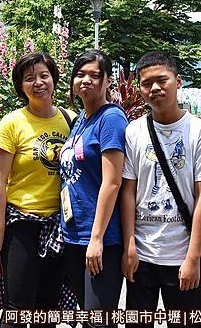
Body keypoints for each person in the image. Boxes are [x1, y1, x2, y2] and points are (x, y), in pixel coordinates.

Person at [121, 51, 201, 328]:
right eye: (146, 83)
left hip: (182, 256)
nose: (154, 88)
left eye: (162, 80)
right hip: (142, 257)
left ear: (177, 82)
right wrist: (129, 245)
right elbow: (128, 192)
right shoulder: (133, 132)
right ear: (139, 88)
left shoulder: (199, 132)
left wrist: (193, 258)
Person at [0, 51, 76, 328]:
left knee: (47, 307)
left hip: (59, 226)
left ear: (54, 79)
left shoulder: (71, 121)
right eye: (30, 78)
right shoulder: (12, 124)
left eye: (44, 75)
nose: (38, 82)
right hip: (22, 224)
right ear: (20, 86)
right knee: (19, 307)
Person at [59, 50, 128, 325]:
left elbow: (112, 182)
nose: (86, 80)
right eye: (80, 74)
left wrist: (96, 239)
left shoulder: (110, 119)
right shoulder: (79, 121)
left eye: (94, 75)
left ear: (108, 80)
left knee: (97, 320)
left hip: (100, 239)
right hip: (74, 236)